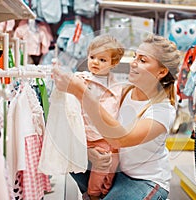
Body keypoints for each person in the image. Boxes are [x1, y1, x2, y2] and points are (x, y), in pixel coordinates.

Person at [52, 33, 181, 200]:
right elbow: (99, 130)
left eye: (143, 60)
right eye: (135, 57)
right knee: (69, 154)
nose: (133, 63)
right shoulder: (124, 92)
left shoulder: (162, 111)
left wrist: (81, 92)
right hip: (117, 172)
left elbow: (121, 139)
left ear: (162, 71)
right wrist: (91, 153)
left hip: (145, 181)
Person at [73, 34, 125, 200]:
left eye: (102, 60)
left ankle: (105, 189)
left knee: (113, 161)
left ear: (113, 63)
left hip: (106, 135)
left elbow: (115, 110)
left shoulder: (116, 87)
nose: (95, 62)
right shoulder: (82, 79)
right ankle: (93, 194)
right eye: (92, 57)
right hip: (85, 134)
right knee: (101, 164)